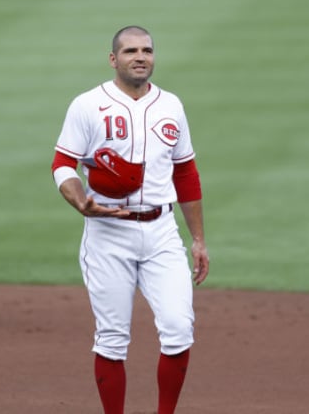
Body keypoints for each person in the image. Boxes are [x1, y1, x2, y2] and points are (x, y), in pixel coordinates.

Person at [50, 25, 209, 414]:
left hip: (161, 232)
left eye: (147, 50)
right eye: (130, 51)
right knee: (112, 338)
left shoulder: (171, 104)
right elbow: (62, 163)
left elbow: (185, 171)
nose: (140, 57)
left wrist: (198, 239)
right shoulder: (87, 105)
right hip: (108, 234)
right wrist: (80, 201)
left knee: (178, 329)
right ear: (113, 59)